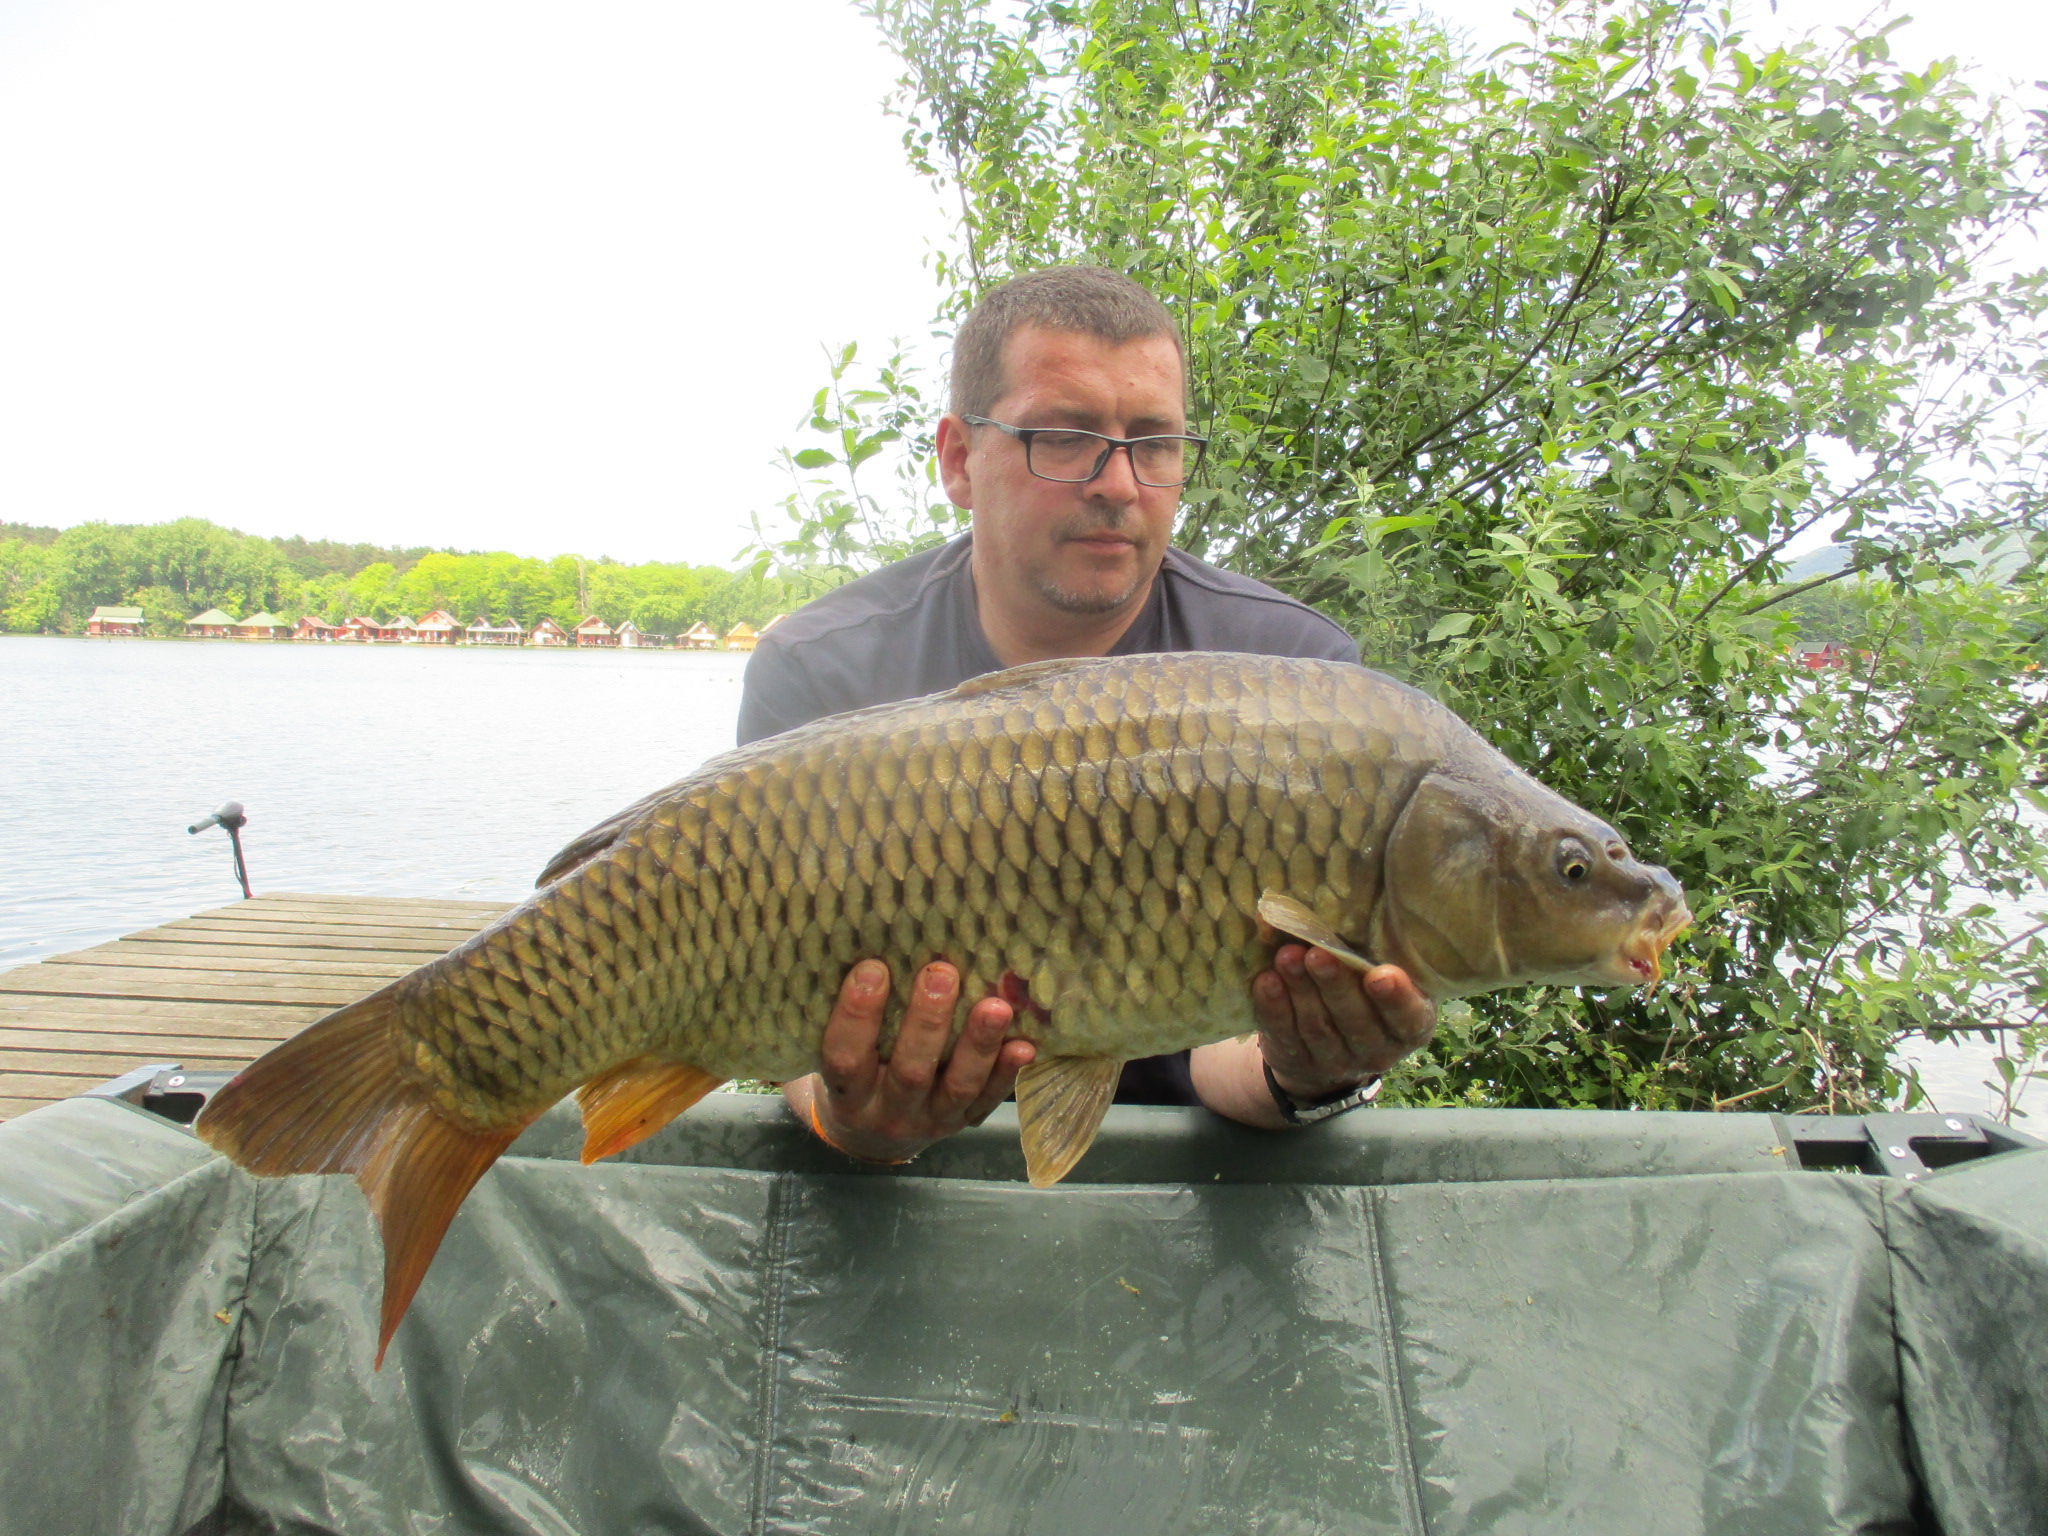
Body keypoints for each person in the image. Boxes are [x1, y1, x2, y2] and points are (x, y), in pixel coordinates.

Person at [738, 265, 1436, 1165]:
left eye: (1155, 443)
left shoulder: (1297, 682)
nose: (1118, 484)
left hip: (1199, 1188)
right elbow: (775, 1028)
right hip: (901, 1192)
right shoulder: (823, 670)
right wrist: (855, 1124)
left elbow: (1232, 1061)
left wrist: (1312, 1070)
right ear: (958, 460)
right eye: (1064, 438)